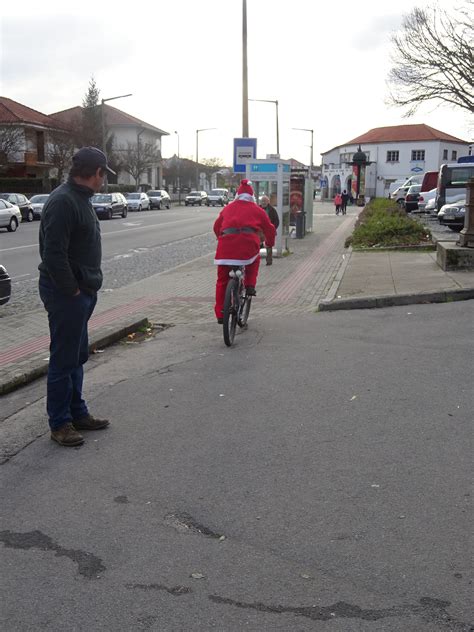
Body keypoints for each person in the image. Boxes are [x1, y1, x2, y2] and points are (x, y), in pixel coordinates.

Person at [38, 147, 114, 447]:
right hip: (66, 294)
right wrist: (72, 290)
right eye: (103, 175)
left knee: (76, 356)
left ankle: (77, 413)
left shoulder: (79, 198)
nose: (103, 181)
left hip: (81, 292)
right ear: (97, 173)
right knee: (63, 358)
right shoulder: (63, 201)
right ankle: (60, 424)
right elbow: (53, 254)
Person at [213, 179, 276, 323]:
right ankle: (249, 285)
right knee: (255, 260)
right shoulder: (257, 210)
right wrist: (269, 243)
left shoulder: (228, 208)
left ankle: (221, 313)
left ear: (237, 195)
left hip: (225, 248)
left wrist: (220, 238)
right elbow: (270, 229)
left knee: (222, 280)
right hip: (247, 247)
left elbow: (216, 226)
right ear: (252, 197)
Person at [259, 195, 279, 265]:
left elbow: (277, 221)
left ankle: (269, 260)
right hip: (260, 230)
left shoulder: (272, 210)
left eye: (265, 201)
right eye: (262, 201)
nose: (263, 202)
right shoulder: (257, 208)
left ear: (268, 202)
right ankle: (254, 259)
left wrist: (272, 228)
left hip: (268, 230)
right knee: (257, 244)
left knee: (269, 245)